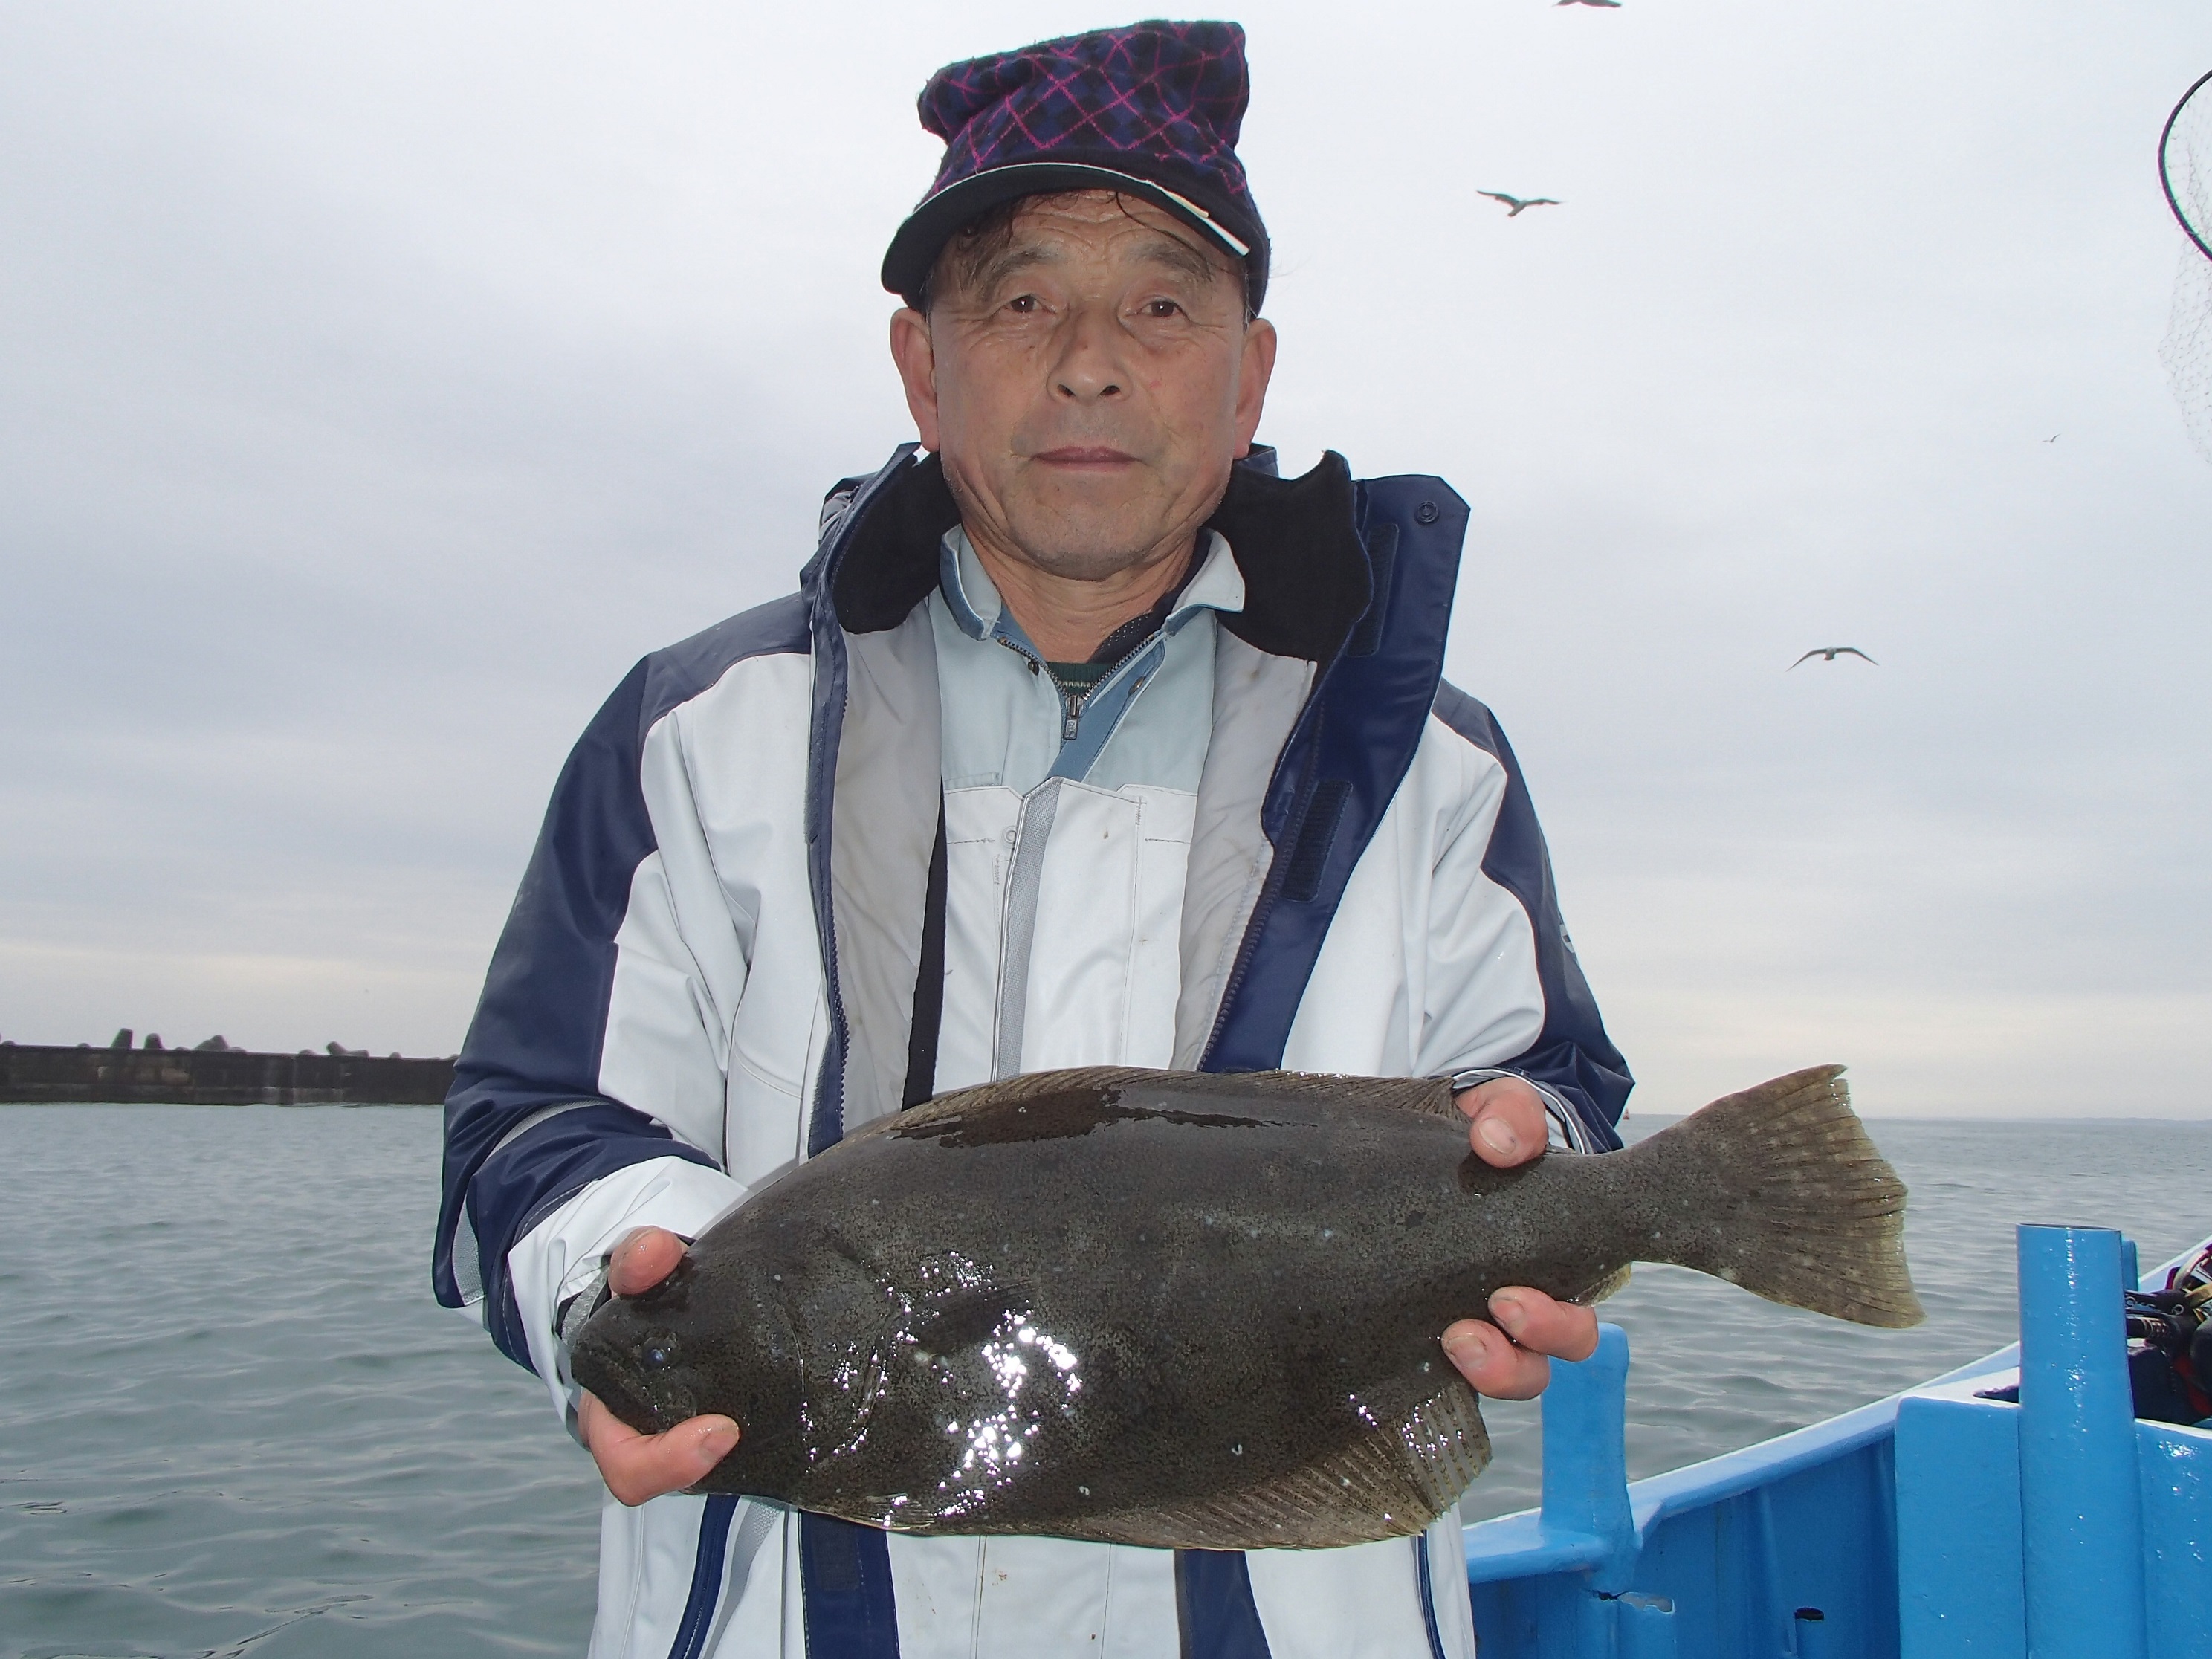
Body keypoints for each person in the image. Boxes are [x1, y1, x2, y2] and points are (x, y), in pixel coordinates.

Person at [433, 21, 1631, 1658]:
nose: (1089, 364)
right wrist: (625, 1291)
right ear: (922, 368)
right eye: (1018, 301)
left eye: (1161, 306)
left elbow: (1555, 1089)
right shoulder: (692, 738)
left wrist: (1534, 1174)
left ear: (1250, 375)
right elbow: (532, 1126)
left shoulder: (1436, 767)